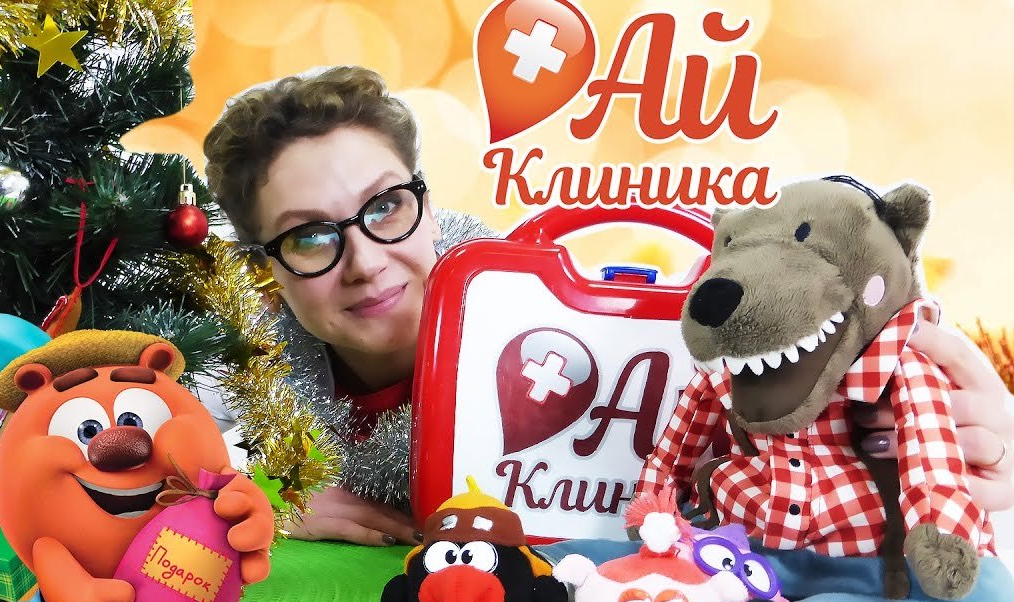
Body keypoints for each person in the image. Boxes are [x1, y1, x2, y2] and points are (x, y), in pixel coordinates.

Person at [201, 65, 1014, 548]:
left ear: (427, 201)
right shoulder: (240, 366)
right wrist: (255, 494)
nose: (366, 261)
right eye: (310, 236)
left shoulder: (554, 324)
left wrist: (972, 439)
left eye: (385, 206)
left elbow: (844, 350)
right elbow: (150, 455)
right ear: (264, 268)